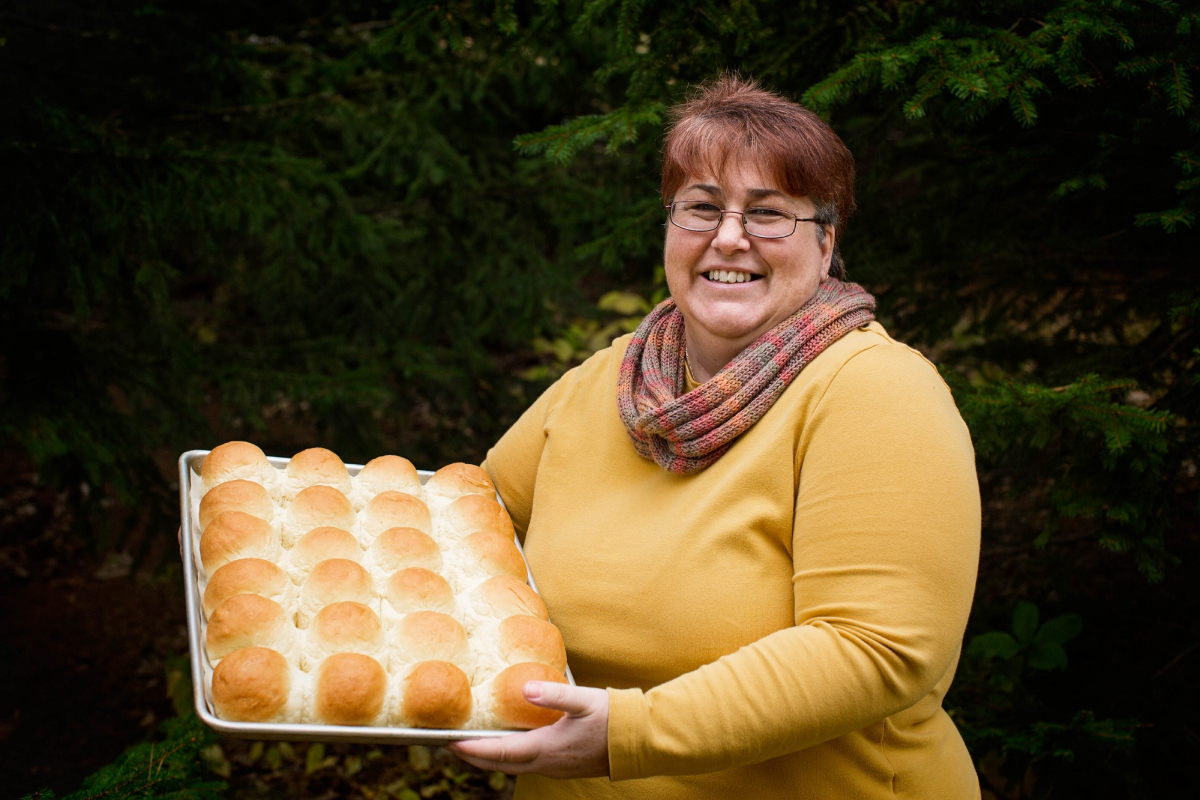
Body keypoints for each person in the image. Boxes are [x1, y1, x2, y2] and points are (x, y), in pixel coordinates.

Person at [449, 75, 981, 799]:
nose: (729, 237)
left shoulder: (875, 393)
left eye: (770, 215)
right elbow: (459, 528)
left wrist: (628, 735)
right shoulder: (606, 381)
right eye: (701, 208)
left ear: (826, 244)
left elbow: (877, 650)